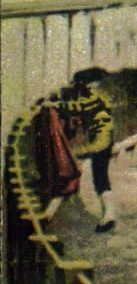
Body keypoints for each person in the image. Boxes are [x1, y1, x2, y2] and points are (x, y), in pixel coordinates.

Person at [41, 67, 119, 231]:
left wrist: (54, 105)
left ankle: (49, 212)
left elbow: (78, 108)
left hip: (99, 142)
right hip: (105, 140)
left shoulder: (93, 98)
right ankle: (109, 215)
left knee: (72, 170)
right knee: (99, 178)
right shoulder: (101, 97)